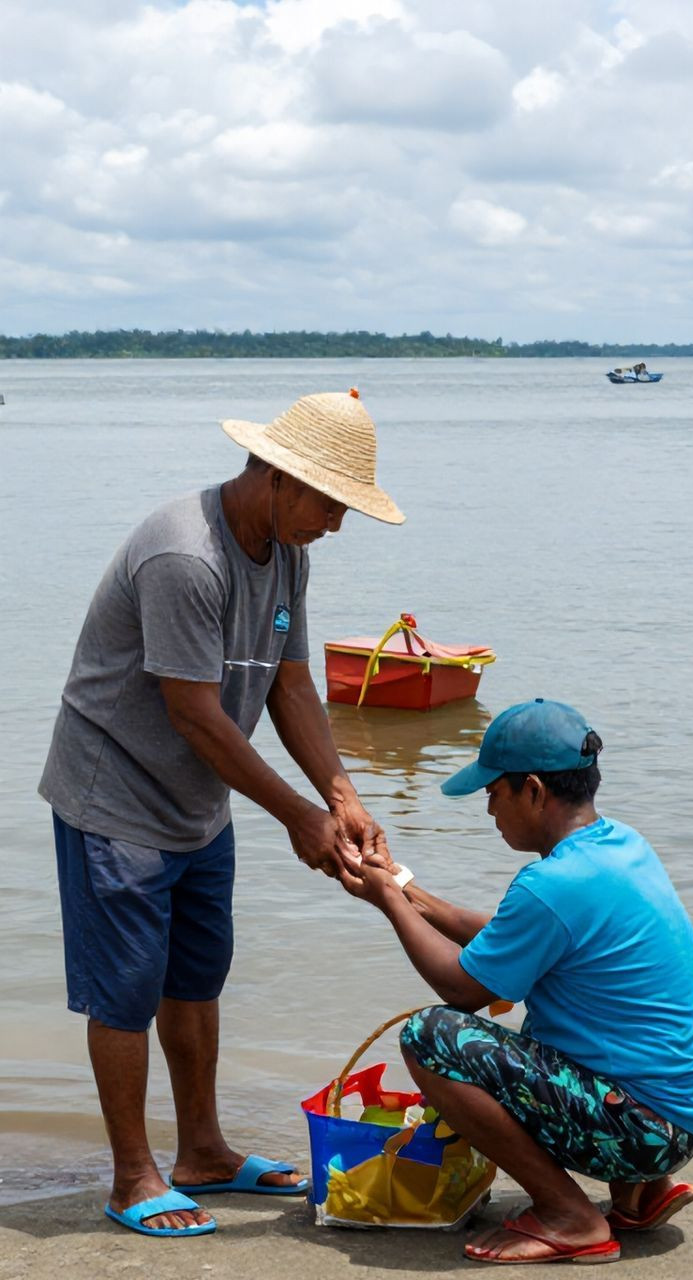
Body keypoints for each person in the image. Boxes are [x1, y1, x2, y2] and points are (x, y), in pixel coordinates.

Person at [39, 388, 404, 1238]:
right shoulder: (186, 555)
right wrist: (299, 817)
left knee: (197, 974)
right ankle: (133, 1174)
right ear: (276, 476)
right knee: (125, 989)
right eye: (329, 504)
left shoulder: (287, 552)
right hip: (115, 795)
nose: (336, 525)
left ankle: (202, 1149)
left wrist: (342, 797)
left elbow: (291, 683)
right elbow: (195, 714)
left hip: (199, 801)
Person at [339, 699, 693, 1265]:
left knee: (431, 1035)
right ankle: (639, 1191)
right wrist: (405, 887)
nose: (490, 808)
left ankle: (569, 1215)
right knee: (555, 1029)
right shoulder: (619, 846)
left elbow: (464, 990)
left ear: (535, 791)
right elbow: (507, 936)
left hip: (640, 1129)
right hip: (679, 1120)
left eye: (495, 792)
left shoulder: (551, 883)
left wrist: (389, 903)